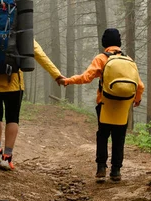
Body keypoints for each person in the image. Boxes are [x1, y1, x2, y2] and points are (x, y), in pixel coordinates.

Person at [62, 28, 144, 181]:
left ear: (104, 42)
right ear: (119, 42)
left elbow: (86, 78)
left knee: (103, 134)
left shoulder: (101, 58)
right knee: (119, 136)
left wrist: (68, 80)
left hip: (105, 103)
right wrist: (136, 99)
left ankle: (101, 168)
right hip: (123, 104)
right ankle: (116, 171)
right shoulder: (129, 60)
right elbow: (140, 85)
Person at [0, 39, 63, 171]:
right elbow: (39, 53)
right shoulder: (20, 31)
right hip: (13, 83)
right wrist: (56, 75)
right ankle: (7, 158)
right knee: (12, 118)